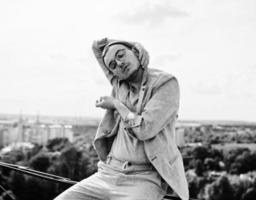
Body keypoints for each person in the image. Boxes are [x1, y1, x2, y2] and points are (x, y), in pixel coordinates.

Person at [54, 38, 189, 200]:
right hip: (107, 173)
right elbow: (97, 46)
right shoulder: (120, 83)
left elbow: (145, 129)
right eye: (112, 65)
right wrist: (132, 45)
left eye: (121, 55)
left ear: (135, 53)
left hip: (144, 179)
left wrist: (117, 104)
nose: (119, 63)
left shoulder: (166, 83)